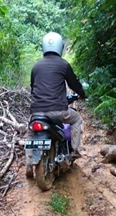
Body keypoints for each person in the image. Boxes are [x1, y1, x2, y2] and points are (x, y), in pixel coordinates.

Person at [26, 32, 87, 174]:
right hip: (58, 110)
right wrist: (83, 94)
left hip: (36, 111)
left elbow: (33, 87)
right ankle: (75, 150)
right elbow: (75, 85)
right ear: (60, 46)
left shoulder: (36, 66)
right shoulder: (63, 64)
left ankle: (29, 164)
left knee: (30, 131)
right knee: (76, 119)